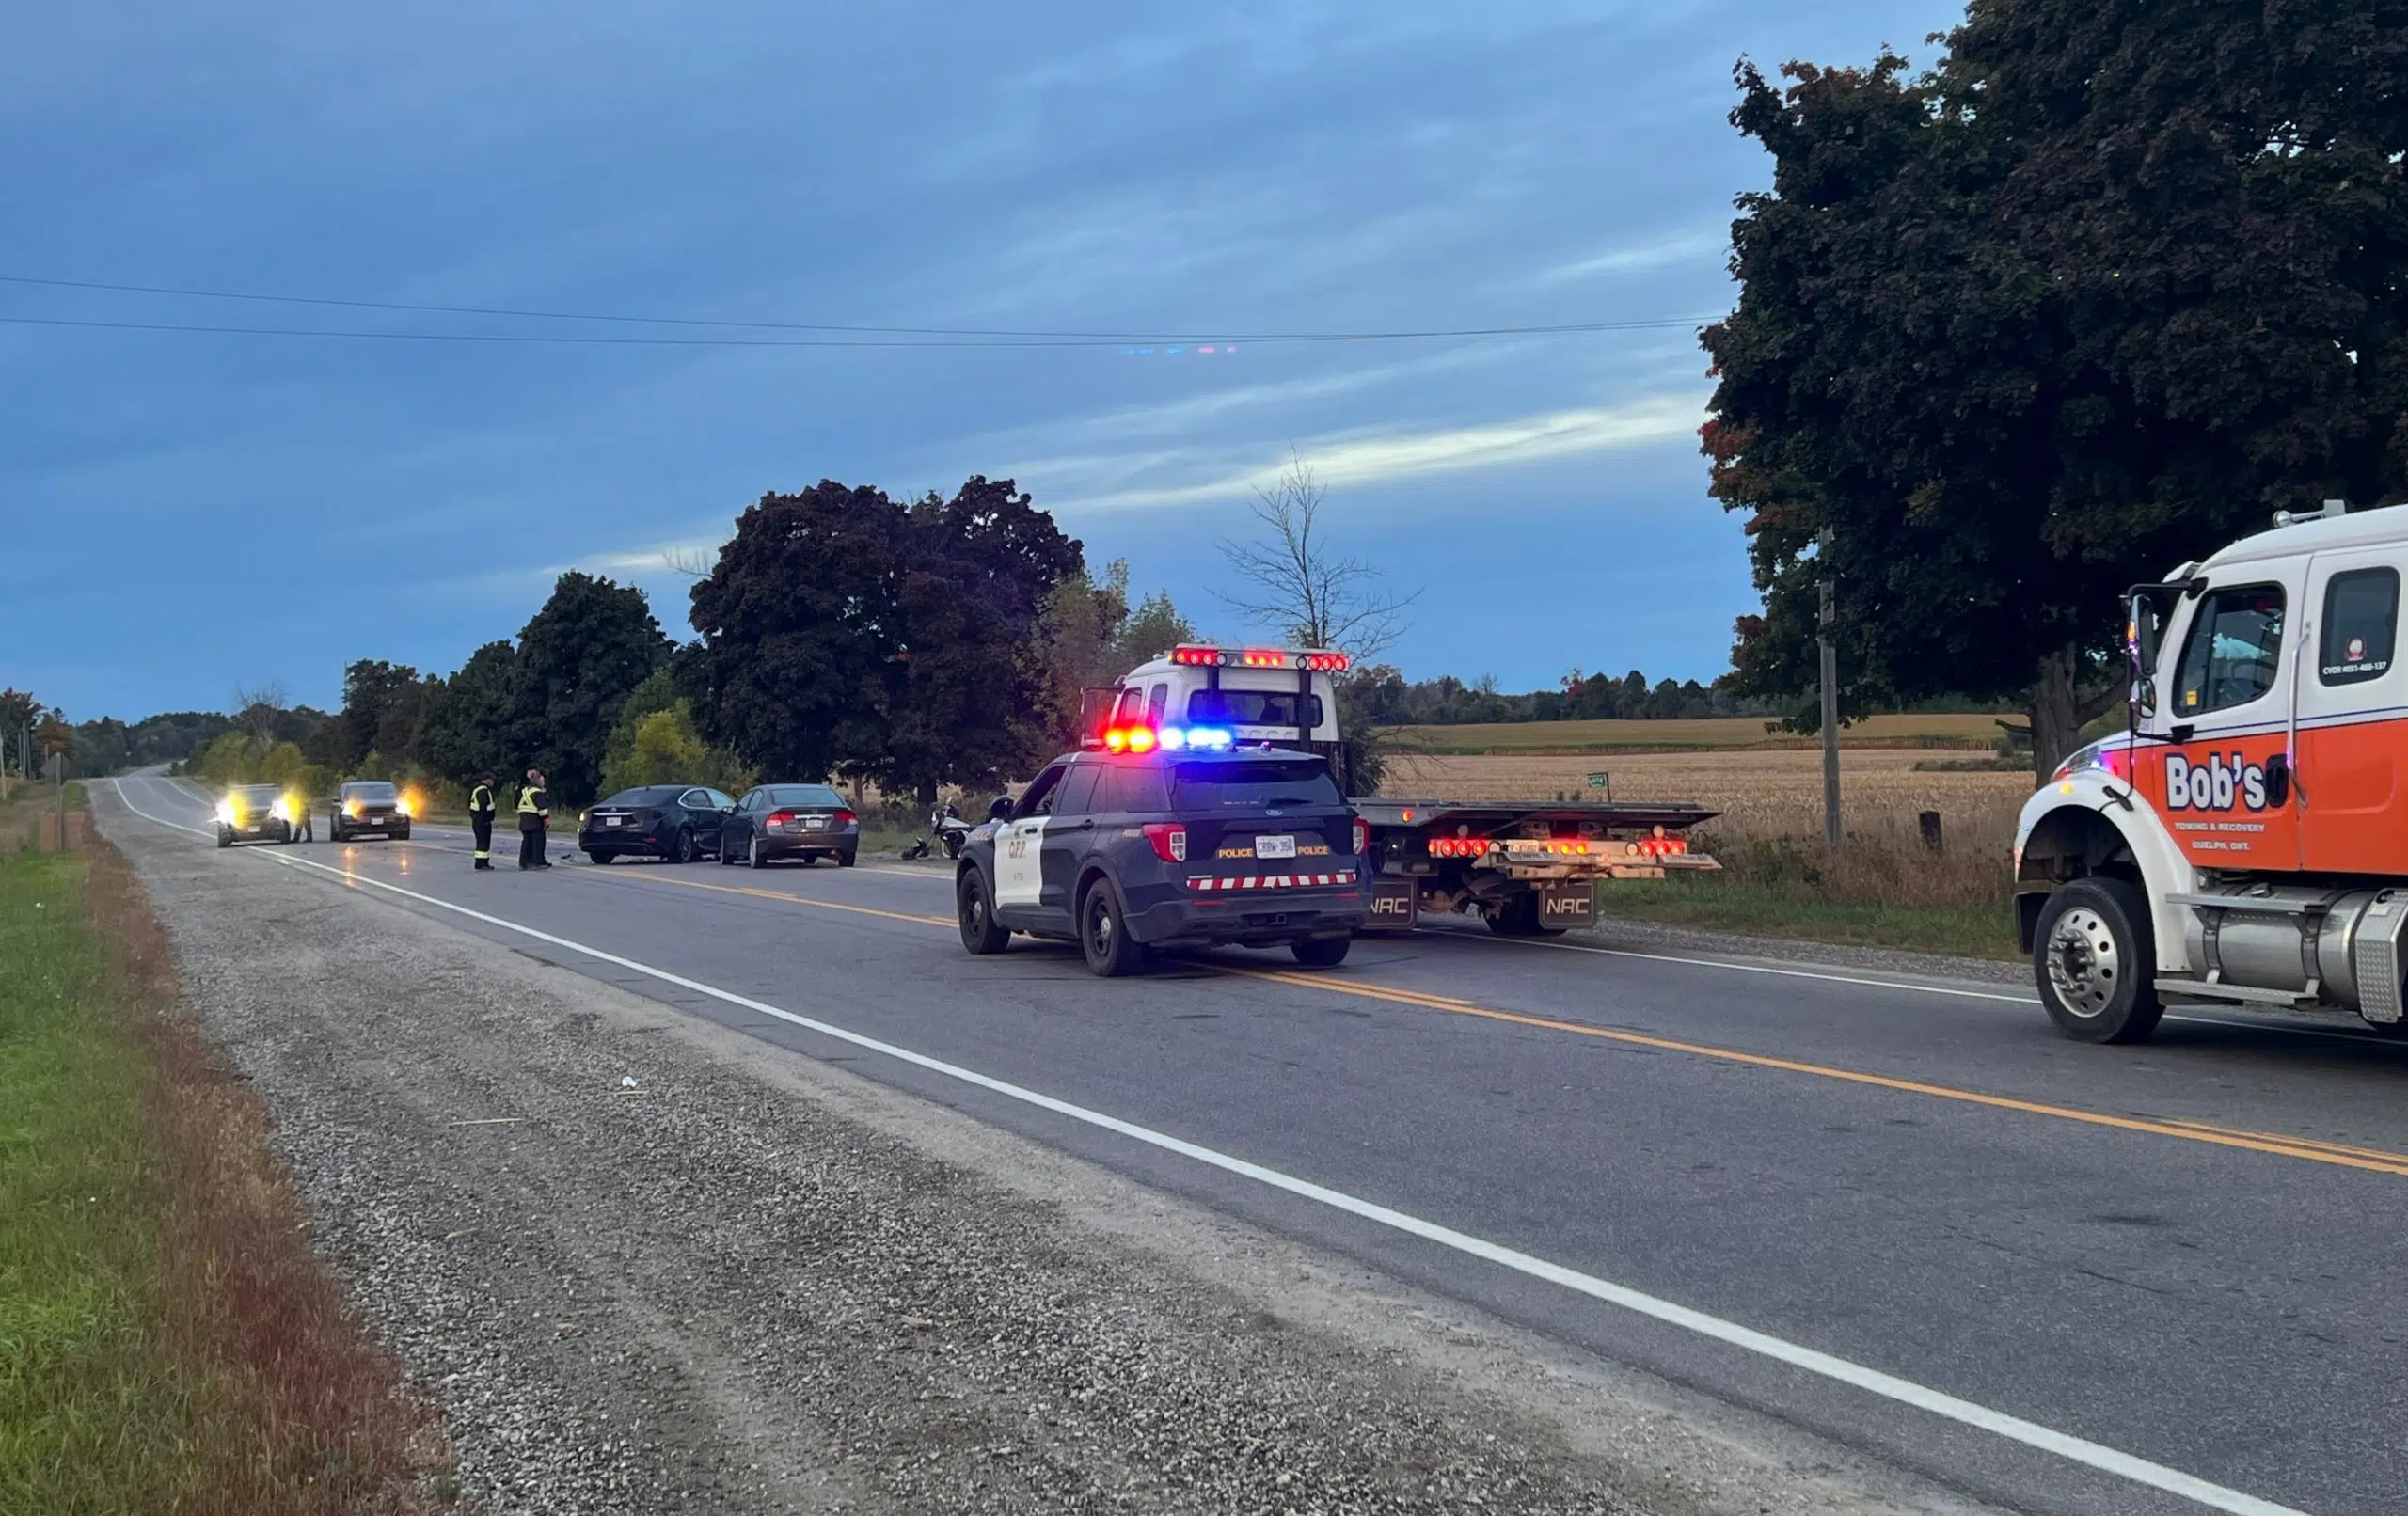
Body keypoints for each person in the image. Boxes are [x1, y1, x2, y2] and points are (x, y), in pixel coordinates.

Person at [516, 767, 551, 870]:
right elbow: (542, 808)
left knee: (526, 842)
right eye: (543, 781)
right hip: (535, 821)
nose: (544, 783)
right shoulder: (538, 792)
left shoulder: (524, 791)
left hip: (524, 820)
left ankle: (524, 862)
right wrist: (546, 820)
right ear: (538, 782)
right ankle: (538, 862)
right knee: (538, 842)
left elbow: (517, 804)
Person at [468, 772, 499, 869]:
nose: (493, 781)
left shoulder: (477, 789)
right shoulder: (483, 791)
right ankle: (482, 863)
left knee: (481, 841)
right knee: (483, 842)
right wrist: (486, 818)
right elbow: (483, 805)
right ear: (486, 780)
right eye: (491, 779)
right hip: (482, 820)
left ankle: (481, 862)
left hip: (477, 819)